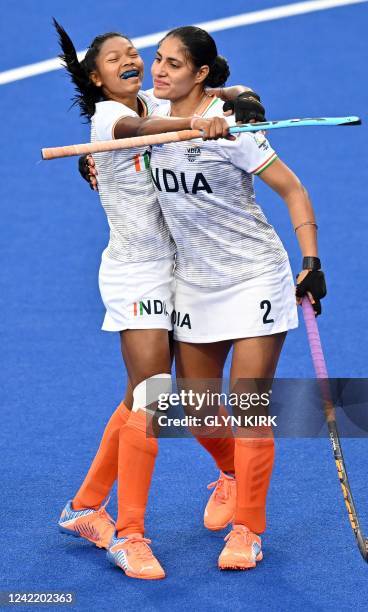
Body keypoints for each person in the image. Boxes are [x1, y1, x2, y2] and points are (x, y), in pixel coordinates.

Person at [53, 20, 266, 580]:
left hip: (178, 273)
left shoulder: (152, 94)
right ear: (96, 78)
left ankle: (84, 508)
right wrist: (191, 125)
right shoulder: (110, 115)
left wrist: (235, 98)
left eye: (133, 53)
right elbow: (139, 125)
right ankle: (130, 534)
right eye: (114, 58)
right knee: (153, 399)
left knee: (147, 401)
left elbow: (205, 94)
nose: (131, 60)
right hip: (137, 276)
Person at [146, 26, 326, 571]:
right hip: (193, 284)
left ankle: (248, 527)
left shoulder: (239, 134)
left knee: (249, 409)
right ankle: (229, 474)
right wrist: (222, 98)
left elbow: (292, 189)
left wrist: (312, 261)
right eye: (158, 59)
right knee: (196, 408)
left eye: (174, 64)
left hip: (254, 278)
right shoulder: (148, 111)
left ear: (200, 73)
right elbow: (124, 116)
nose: (159, 71)